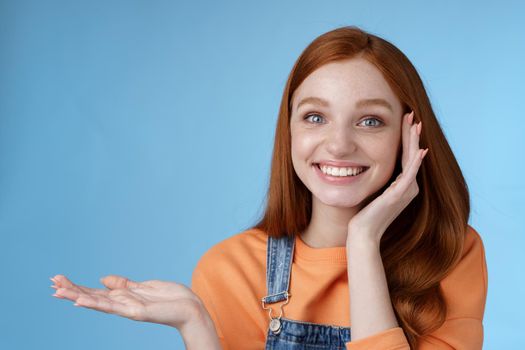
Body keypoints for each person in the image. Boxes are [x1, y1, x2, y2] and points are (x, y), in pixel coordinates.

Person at [51, 26, 488, 349]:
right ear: (290, 132)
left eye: (370, 120)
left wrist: (363, 242)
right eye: (315, 117)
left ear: (410, 136)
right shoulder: (231, 268)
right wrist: (196, 326)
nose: (338, 144)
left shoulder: (451, 255)